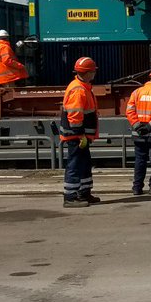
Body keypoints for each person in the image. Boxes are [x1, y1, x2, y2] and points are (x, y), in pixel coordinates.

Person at [60, 57, 100, 207]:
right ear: (88, 72)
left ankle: (84, 192)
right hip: (77, 134)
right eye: (93, 71)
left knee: (83, 163)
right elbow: (75, 115)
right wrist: (81, 134)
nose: (94, 73)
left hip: (80, 134)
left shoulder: (82, 86)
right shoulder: (79, 89)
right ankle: (70, 196)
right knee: (75, 164)